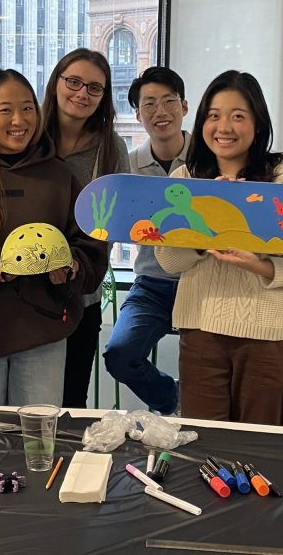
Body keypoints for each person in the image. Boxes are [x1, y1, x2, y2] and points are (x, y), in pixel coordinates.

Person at [155, 70, 283, 424]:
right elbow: (169, 260)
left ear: (258, 123)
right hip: (203, 331)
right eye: (214, 116)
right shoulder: (184, 181)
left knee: (259, 451)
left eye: (238, 116)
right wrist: (209, 223)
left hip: (272, 336)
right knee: (206, 450)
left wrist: (259, 266)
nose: (224, 127)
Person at [0, 69, 106, 405]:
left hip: (44, 334)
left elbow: (90, 244)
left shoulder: (60, 176)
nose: (19, 119)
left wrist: (70, 266)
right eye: (5, 110)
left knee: (37, 442)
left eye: (28, 108)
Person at [39, 48, 128, 407]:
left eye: (94, 88)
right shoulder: (29, 137)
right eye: (73, 82)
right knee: (30, 401)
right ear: (55, 83)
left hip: (82, 294)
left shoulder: (111, 148)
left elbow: (119, 221)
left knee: (71, 400)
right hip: (26, 293)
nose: (81, 94)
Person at [102, 66, 190, 414]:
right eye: (149, 103)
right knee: (119, 354)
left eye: (169, 101)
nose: (160, 111)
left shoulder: (208, 157)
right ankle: (174, 398)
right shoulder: (130, 164)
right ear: (137, 114)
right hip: (152, 283)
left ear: (184, 106)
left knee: (209, 366)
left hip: (201, 281)